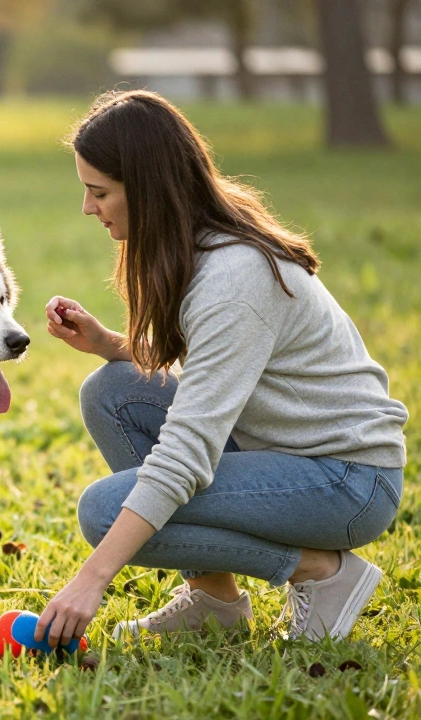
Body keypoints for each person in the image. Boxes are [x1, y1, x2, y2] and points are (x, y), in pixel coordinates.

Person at [34, 90, 408, 648]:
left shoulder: (235, 279)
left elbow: (186, 453)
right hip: (287, 456)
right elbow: (219, 363)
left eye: (99, 192)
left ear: (149, 189)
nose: (89, 208)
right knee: (112, 391)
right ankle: (215, 601)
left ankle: (322, 572)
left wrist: (91, 581)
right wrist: (110, 343)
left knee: (105, 511)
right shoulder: (202, 241)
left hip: (347, 480)